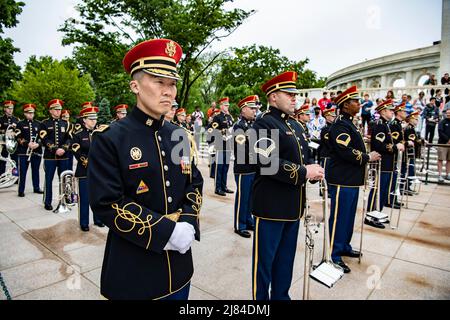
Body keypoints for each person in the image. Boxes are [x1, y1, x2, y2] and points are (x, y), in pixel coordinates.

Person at [88, 38, 203, 300]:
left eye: (172, 83)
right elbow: (107, 202)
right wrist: (167, 232)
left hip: (181, 269)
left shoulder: (178, 135)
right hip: (135, 272)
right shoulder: (110, 138)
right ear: (135, 86)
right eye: (159, 82)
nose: (169, 91)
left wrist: (186, 222)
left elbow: (193, 184)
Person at [251, 71, 324, 300]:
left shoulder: (294, 125)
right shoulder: (264, 122)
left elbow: (300, 158)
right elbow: (266, 162)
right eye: (288, 94)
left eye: (295, 94)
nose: (295, 98)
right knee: (264, 266)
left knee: (285, 262)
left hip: (293, 206)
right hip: (271, 207)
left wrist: (311, 171)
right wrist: (304, 172)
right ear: (273, 97)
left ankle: (281, 297)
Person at [327, 86, 381, 273]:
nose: (359, 104)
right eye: (355, 101)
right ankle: (333, 254)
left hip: (351, 179)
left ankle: (344, 246)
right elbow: (344, 151)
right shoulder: (340, 125)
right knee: (339, 218)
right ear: (345, 105)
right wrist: (367, 157)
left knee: (348, 217)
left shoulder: (350, 123)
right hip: (342, 179)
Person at [366, 99, 405, 226]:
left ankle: (378, 212)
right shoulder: (380, 125)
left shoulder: (386, 125)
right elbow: (378, 145)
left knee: (383, 191)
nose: (392, 112)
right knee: (378, 189)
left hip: (388, 164)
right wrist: (395, 147)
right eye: (389, 110)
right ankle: (371, 215)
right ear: (383, 112)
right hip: (381, 163)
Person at [70, 104, 104, 231]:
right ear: (84, 120)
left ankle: (98, 219)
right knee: (84, 198)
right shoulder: (78, 134)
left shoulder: (100, 133)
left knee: (98, 197)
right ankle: (84, 222)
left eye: (95, 118)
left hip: (98, 171)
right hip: (84, 170)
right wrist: (88, 161)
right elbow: (76, 149)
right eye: (91, 119)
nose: (94, 121)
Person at [232, 95, 258, 239]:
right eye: (251, 108)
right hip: (243, 167)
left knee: (250, 197)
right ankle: (239, 224)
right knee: (243, 197)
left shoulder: (253, 125)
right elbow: (241, 149)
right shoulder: (239, 126)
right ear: (243, 109)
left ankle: (248, 220)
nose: (254, 111)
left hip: (253, 166)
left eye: (255, 108)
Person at [40, 99, 70, 211]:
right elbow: (44, 138)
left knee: (63, 179)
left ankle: (63, 200)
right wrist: (55, 149)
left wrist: (63, 148)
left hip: (64, 156)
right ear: (50, 111)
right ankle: (47, 201)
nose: (58, 112)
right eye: (56, 110)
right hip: (50, 156)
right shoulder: (44, 123)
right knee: (48, 179)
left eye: (60, 110)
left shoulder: (66, 123)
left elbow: (70, 139)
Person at [15, 103, 43, 197]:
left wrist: (38, 144)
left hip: (36, 151)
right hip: (23, 152)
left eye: (32, 113)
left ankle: (36, 188)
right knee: (22, 171)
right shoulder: (20, 124)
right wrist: (28, 144)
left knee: (36, 170)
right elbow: (18, 137)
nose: (31, 114)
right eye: (28, 113)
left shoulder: (39, 124)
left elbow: (42, 137)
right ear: (24, 113)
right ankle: (21, 190)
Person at [209, 97, 234, 196]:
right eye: (225, 105)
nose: (227, 107)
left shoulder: (229, 117)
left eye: (228, 105)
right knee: (219, 167)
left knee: (226, 166)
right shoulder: (217, 117)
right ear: (221, 106)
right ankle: (218, 187)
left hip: (228, 144)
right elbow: (211, 130)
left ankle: (224, 186)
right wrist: (221, 132)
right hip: (219, 144)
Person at [403, 110, 422, 192]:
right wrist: (420, 141)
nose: (417, 121)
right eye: (416, 119)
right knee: (409, 171)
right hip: (409, 153)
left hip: (411, 153)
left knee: (411, 170)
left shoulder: (412, 128)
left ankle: (408, 186)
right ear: (411, 119)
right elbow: (412, 141)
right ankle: (406, 186)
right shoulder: (409, 128)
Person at [0, 100, 19, 177]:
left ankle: (15, 177)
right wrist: (6, 131)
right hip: (3, 143)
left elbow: (19, 131)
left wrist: (15, 133)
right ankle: (1, 176)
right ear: (4, 109)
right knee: (2, 161)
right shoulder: (1, 119)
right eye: (8, 108)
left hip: (12, 143)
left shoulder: (16, 119)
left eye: (12, 108)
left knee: (14, 160)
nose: (10, 110)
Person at [319, 107, 337, 174]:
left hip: (332, 156)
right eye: (332, 116)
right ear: (327, 117)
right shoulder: (326, 129)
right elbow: (329, 143)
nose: (334, 118)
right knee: (326, 177)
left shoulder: (334, 127)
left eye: (334, 116)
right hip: (327, 155)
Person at [437, 109, 450, 182]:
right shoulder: (442, 122)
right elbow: (440, 132)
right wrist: (448, 140)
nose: (448, 114)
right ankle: (439, 175)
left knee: (449, 160)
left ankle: (448, 174)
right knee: (440, 159)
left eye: (449, 113)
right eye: (447, 113)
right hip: (442, 143)